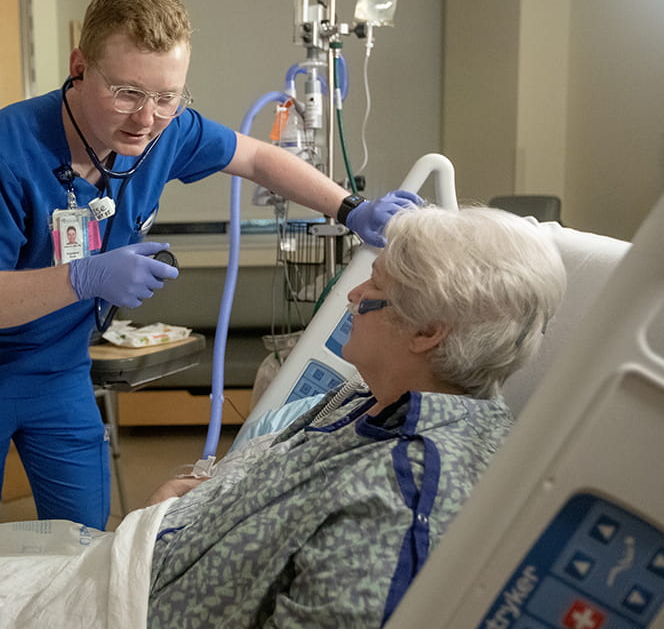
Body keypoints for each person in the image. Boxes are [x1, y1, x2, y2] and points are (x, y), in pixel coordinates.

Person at [0, 0, 421, 530]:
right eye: (127, 93)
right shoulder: (5, 150)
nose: (146, 118)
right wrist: (82, 278)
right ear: (79, 66)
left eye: (166, 97)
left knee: (84, 539)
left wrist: (350, 209)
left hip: (59, 371)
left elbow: (257, 159)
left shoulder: (166, 130)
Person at [143, 205, 567, 626]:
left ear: (425, 332)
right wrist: (183, 508)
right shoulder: (366, 400)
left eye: (376, 284)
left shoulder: (396, 500)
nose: (354, 294)